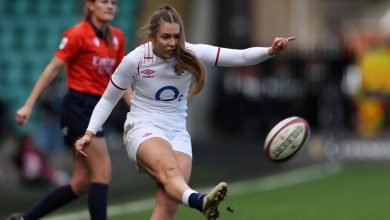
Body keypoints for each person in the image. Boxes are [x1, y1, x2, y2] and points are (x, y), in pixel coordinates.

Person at [75, 4, 295, 220]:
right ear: (151, 37)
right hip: (143, 128)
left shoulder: (190, 53)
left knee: (168, 205)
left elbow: (239, 57)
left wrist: (270, 51)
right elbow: (108, 99)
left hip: (177, 132)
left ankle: (196, 199)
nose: (173, 43)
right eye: (166, 37)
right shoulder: (135, 60)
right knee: (170, 172)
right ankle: (201, 201)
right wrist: (89, 133)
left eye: (176, 36)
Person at [8, 0, 131, 219]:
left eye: (114, 3)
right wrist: (28, 104)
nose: (111, 6)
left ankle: (25, 218)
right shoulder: (77, 34)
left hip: (98, 108)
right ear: (91, 6)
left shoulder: (117, 38)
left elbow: (121, 79)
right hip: (78, 108)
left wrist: (137, 111)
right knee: (102, 172)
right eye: (104, 2)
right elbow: (52, 70)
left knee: (82, 182)